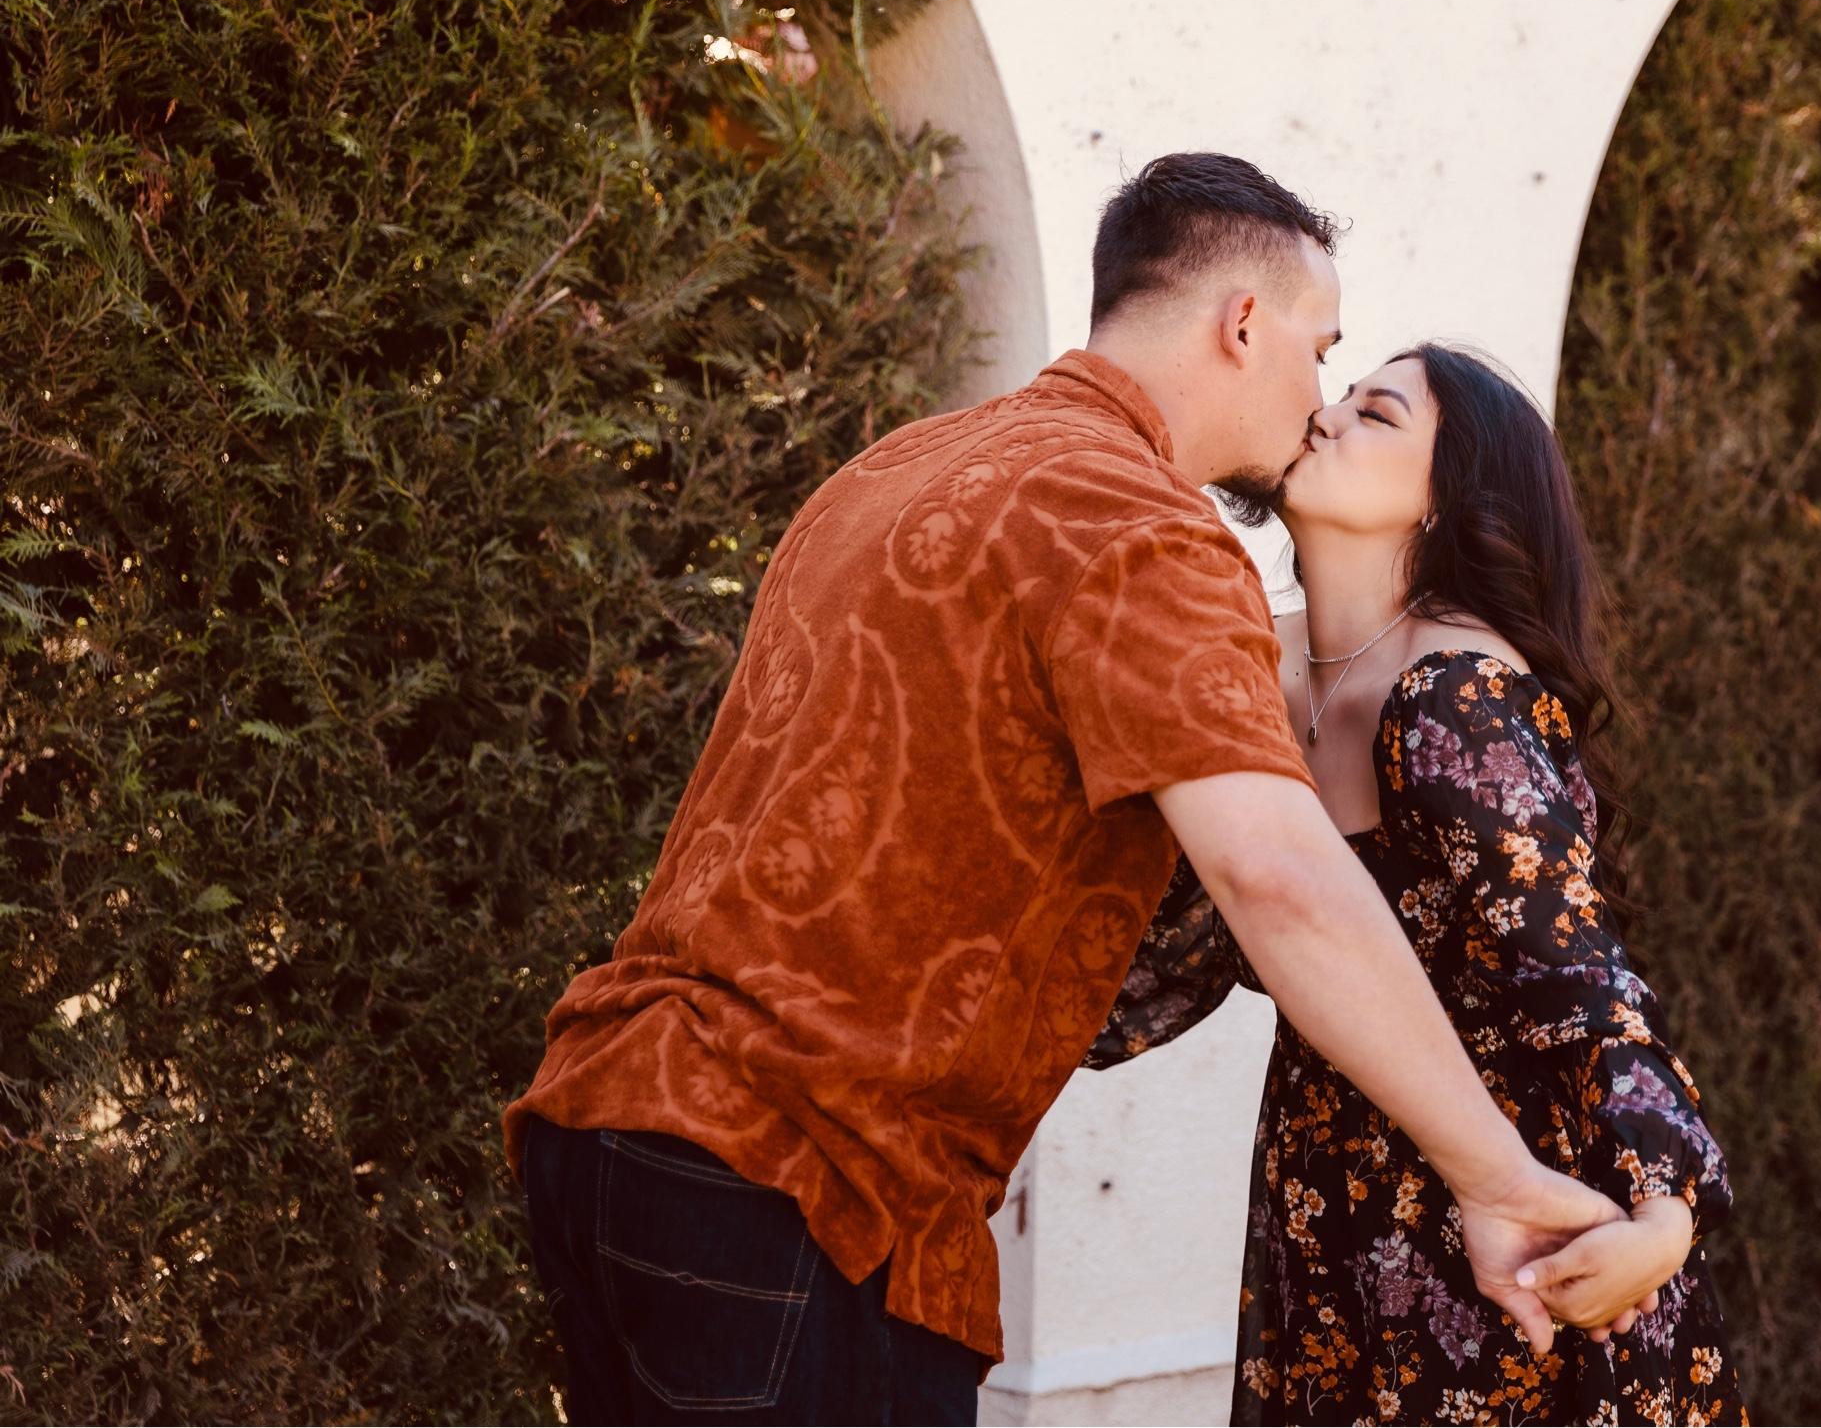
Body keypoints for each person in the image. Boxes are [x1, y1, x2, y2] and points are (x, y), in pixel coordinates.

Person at [502, 155, 1642, 1424]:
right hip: (799, 1187)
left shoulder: (895, 470)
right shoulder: (1145, 531)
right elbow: (1274, 876)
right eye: (1321, 353)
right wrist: (1497, 1180)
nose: (1318, 401)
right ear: (1243, 325)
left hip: (607, 1127)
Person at [1090, 343, 1748, 1426]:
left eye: (1377, 413)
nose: (1327, 415)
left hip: (1527, 1229)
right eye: (1343, 395)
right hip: (1328, 1202)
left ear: (1446, 500)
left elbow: (1579, 977)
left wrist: (1664, 1212)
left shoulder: (1454, 695)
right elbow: (1161, 963)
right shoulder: (1244, 669)